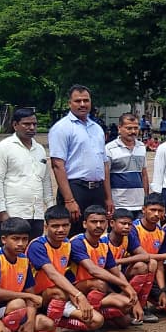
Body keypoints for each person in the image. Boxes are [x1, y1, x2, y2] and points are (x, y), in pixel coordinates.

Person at [26, 205, 104, 332]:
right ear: (46, 227)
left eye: (65, 225)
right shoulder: (37, 245)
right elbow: (53, 274)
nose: (61, 229)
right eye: (55, 226)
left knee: (96, 321)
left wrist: (74, 297)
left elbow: (66, 273)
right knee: (58, 292)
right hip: (37, 298)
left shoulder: (67, 244)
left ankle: (58, 321)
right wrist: (78, 295)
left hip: (60, 297)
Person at [48, 85, 111, 235]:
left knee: (96, 234)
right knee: (73, 234)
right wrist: (69, 200)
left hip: (97, 189)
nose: (82, 104)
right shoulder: (61, 128)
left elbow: (104, 164)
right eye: (78, 101)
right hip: (75, 189)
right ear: (69, 103)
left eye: (86, 100)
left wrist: (108, 197)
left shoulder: (97, 128)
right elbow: (57, 165)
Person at [70, 205, 142, 327]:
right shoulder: (78, 242)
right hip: (75, 289)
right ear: (85, 224)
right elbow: (93, 270)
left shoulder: (103, 244)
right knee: (100, 283)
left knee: (126, 311)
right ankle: (89, 323)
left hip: (97, 289)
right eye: (94, 222)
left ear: (107, 224)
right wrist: (125, 286)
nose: (98, 225)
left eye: (102, 222)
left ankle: (99, 315)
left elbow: (116, 272)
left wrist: (134, 297)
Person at [0, 107, 54, 241]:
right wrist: (1, 211)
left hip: (36, 215)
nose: (31, 128)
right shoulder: (3, 148)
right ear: (15, 125)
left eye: (34, 124)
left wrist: (50, 208)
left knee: (34, 251)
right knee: (11, 252)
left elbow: (45, 180)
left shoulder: (40, 150)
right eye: (26, 124)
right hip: (12, 213)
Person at [106, 112, 150, 214]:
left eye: (135, 128)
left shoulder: (141, 147)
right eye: (129, 128)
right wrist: (108, 199)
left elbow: (144, 174)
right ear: (119, 128)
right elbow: (106, 177)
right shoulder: (109, 149)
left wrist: (146, 198)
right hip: (119, 203)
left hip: (139, 203)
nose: (133, 131)